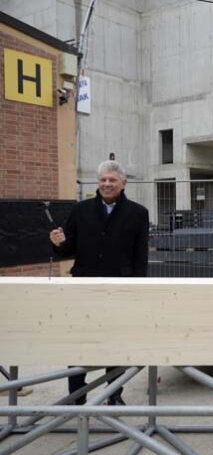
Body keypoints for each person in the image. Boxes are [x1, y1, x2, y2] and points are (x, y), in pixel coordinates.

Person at [49, 160, 149, 406]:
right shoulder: (81, 210)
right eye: (103, 179)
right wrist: (58, 242)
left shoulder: (138, 213)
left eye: (112, 180)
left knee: (114, 342)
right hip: (84, 284)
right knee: (79, 341)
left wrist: (138, 289)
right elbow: (68, 249)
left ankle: (114, 394)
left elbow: (140, 255)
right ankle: (76, 395)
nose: (106, 184)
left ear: (123, 183)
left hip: (120, 286)